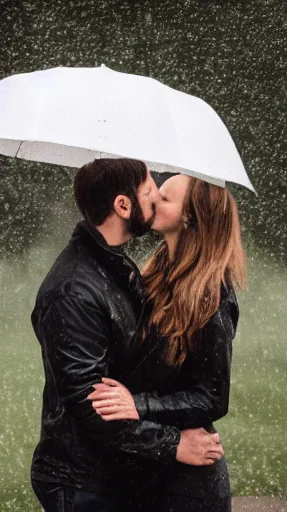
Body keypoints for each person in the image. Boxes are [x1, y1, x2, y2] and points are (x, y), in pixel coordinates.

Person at [30, 159, 223, 512]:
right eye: (151, 193)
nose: (155, 202)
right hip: (82, 482)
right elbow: (91, 404)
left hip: (111, 477)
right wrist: (173, 443)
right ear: (123, 206)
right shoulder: (74, 290)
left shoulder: (117, 267)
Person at [88, 174, 247, 511]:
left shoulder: (211, 296)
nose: (152, 201)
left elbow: (212, 398)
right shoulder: (159, 270)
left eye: (165, 198)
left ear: (190, 216)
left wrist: (139, 404)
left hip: (188, 483)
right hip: (152, 466)